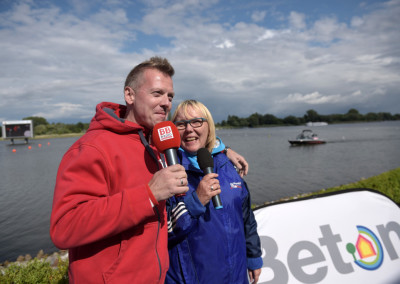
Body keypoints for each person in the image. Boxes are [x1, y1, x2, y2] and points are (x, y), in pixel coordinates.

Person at [50, 57, 249, 283]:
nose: (166, 103)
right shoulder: (93, 147)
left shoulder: (158, 145)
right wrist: (149, 194)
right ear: (130, 95)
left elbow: (194, 145)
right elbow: (64, 227)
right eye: (157, 93)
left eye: (170, 96)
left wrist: (222, 151)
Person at [166, 100, 263, 284]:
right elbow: (164, 232)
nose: (189, 129)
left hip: (237, 275)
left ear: (209, 126)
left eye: (196, 121)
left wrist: (254, 257)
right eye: (181, 124)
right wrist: (196, 201)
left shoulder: (227, 165)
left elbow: (246, 218)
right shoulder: (169, 170)